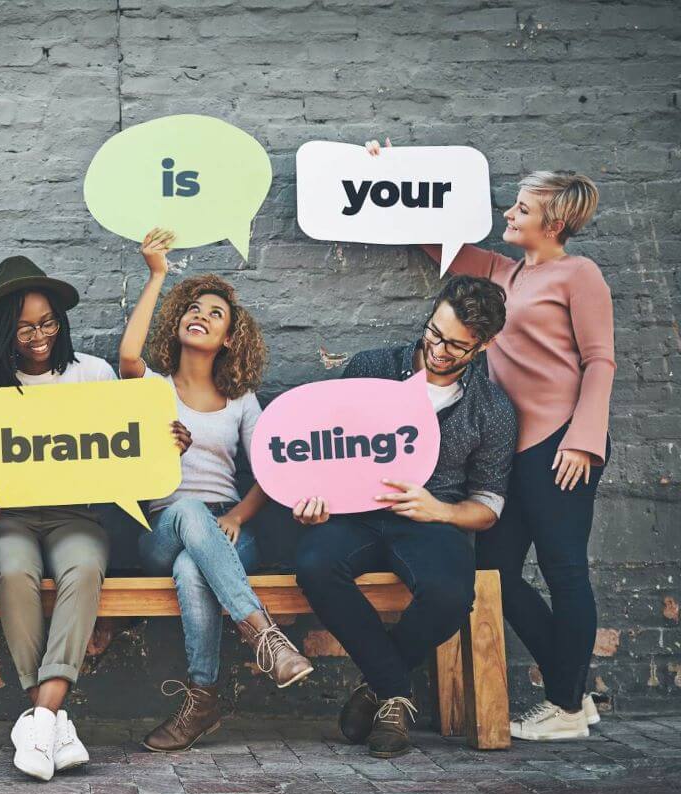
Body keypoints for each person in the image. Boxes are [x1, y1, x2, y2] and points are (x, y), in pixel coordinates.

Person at [365, 138, 616, 740]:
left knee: (565, 572)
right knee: (496, 576)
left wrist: (585, 439)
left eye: (522, 208)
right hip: (508, 448)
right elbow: (431, 239)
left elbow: (601, 360)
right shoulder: (503, 272)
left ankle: (563, 707)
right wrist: (384, 170)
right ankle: (573, 693)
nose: (509, 213)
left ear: (553, 222)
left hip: (560, 447)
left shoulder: (579, 275)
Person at [293, 275, 517, 759]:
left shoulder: (492, 407)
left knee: (450, 593)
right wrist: (312, 498)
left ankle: (378, 691)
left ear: (483, 345)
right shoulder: (372, 366)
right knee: (314, 565)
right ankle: (395, 691)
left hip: (429, 520)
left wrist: (442, 510)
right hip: (353, 514)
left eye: (457, 345)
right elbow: (317, 444)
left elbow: (490, 504)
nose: (439, 349)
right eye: (435, 333)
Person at [119, 228, 313, 753]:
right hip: (162, 523)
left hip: (227, 525)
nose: (200, 314)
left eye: (216, 313)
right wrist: (158, 274)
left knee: (192, 567)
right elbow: (128, 356)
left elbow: (270, 471)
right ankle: (265, 639)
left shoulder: (242, 400)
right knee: (184, 512)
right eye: (194, 307)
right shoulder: (154, 387)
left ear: (229, 338)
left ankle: (202, 697)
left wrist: (239, 518)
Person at [0, 256, 116, 781]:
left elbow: (124, 452)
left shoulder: (93, 374)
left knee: (83, 568)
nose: (39, 335)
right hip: (12, 519)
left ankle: (41, 716)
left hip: (78, 514)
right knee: (12, 569)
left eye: (48, 322)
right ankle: (54, 722)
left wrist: (164, 445)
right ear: (7, 329)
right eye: (26, 326)